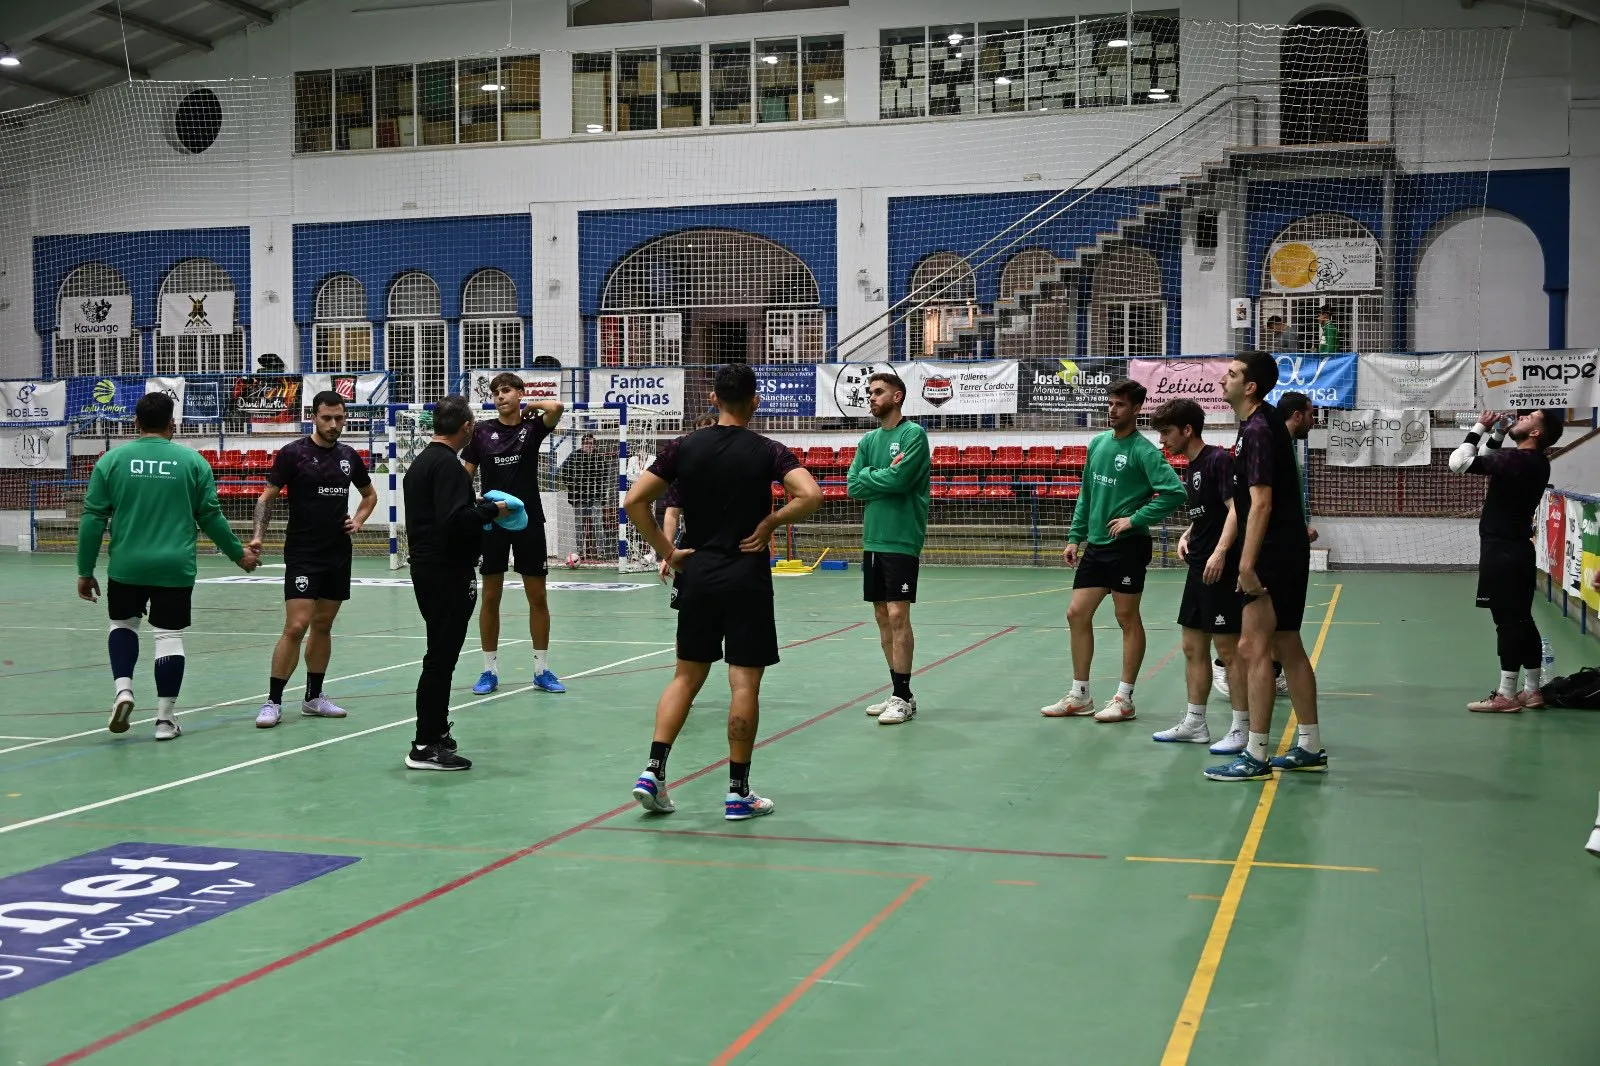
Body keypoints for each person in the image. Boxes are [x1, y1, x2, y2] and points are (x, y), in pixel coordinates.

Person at [624, 364, 822, 820]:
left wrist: (668, 552)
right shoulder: (768, 450)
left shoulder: (681, 447)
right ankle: (738, 793)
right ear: (755, 402)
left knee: (685, 677)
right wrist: (771, 522)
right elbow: (811, 495)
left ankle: (652, 771)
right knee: (744, 682)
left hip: (698, 573)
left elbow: (634, 501)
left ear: (713, 399)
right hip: (745, 576)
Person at [75, 392, 259, 741]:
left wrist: (85, 571)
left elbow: (93, 518)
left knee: (123, 625)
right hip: (174, 567)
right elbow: (210, 517)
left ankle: (124, 691)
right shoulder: (193, 462)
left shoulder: (111, 461)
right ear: (172, 423)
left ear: (136, 423)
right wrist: (240, 555)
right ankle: (164, 719)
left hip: (127, 565)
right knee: (168, 636)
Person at [1205, 351, 1323, 781]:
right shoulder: (1262, 424)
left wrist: (1247, 564)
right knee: (1287, 644)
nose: (1224, 379)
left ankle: (1255, 754)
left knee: (1252, 649)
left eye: (1232, 374)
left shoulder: (1257, 428)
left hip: (1272, 553)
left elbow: (1262, 502)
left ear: (1250, 386)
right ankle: (1309, 744)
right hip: (1288, 551)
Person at [1042, 379, 1186, 722]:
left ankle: (1125, 698)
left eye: (1120, 404)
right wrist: (1075, 536)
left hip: (1128, 547)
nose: (1112, 409)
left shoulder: (1144, 451)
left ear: (1136, 409)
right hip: (1096, 545)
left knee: (1126, 618)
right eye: (1110, 403)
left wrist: (1135, 519)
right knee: (1076, 613)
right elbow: (1087, 494)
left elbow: (1174, 492)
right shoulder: (1098, 444)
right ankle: (1080, 695)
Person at [249, 390, 377, 729]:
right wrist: (259, 535)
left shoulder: (350, 455)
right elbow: (266, 498)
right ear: (314, 417)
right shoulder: (293, 454)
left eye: (339, 418)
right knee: (296, 625)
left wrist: (360, 520)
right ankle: (273, 701)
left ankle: (313, 698)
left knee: (323, 624)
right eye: (327, 418)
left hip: (338, 553)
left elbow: (369, 494)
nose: (334, 424)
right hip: (304, 552)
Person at [402, 394, 509, 771]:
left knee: (440, 655)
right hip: (445, 571)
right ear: (467, 427)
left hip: (430, 567)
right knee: (440, 659)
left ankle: (435, 733)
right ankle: (425, 744)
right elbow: (454, 520)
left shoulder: (421, 463)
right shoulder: (446, 464)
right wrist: (490, 509)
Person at [1148, 398, 1249, 749]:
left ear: (1187, 430)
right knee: (1192, 646)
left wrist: (1221, 552)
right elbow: (1209, 512)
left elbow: (1237, 510)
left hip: (1218, 569)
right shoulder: (1190, 468)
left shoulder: (1218, 460)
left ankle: (1241, 729)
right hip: (1198, 567)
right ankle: (1195, 723)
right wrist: (1189, 532)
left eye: (1166, 432)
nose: (1162, 440)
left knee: (1228, 649)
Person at [1449, 408, 1563, 712]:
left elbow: (1458, 463)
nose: (1521, 418)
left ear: (1536, 433)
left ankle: (1506, 695)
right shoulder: (1533, 462)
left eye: (1529, 418)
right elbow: (1488, 459)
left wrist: (1479, 427)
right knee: (1523, 620)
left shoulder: (1518, 460)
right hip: (1519, 552)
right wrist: (1498, 433)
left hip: (1501, 554)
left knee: (1507, 623)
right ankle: (1532, 691)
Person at [462, 373, 566, 695]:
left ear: (519, 393)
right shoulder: (480, 432)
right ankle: (488, 671)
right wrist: (476, 506)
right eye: (495, 392)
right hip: (493, 523)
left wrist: (529, 406)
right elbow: (465, 477)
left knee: (538, 596)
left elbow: (557, 406)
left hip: (529, 521)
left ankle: (541, 669)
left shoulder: (532, 428)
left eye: (506, 391)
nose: (500, 396)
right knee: (491, 596)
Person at [1212, 389, 1315, 703]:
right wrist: (1236, 558)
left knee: (1278, 637)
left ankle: (1264, 730)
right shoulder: (1262, 439)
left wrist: (1296, 529)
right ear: (1296, 415)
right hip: (1262, 551)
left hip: (1279, 545)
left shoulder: (1279, 446)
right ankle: (1225, 669)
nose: (1314, 419)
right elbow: (1254, 505)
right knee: (1256, 640)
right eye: (1311, 413)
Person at [848, 371, 932, 726]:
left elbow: (900, 482)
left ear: (897, 397)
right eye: (870, 392)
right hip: (873, 539)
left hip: (901, 538)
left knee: (899, 615)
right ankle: (902, 693)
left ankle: (901, 694)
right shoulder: (868, 439)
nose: (871, 396)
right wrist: (879, 475)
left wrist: (874, 477)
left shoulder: (913, 435)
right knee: (882, 617)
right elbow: (853, 485)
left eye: (878, 392)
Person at [558, 433, 615, 562]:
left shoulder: (599, 458)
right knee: (579, 526)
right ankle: (579, 552)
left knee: (598, 524)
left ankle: (601, 552)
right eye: (586, 444)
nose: (589, 446)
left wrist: (601, 494)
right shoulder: (574, 456)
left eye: (591, 444)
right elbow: (564, 472)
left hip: (595, 497)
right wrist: (572, 487)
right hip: (579, 498)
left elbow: (605, 477)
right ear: (582, 445)